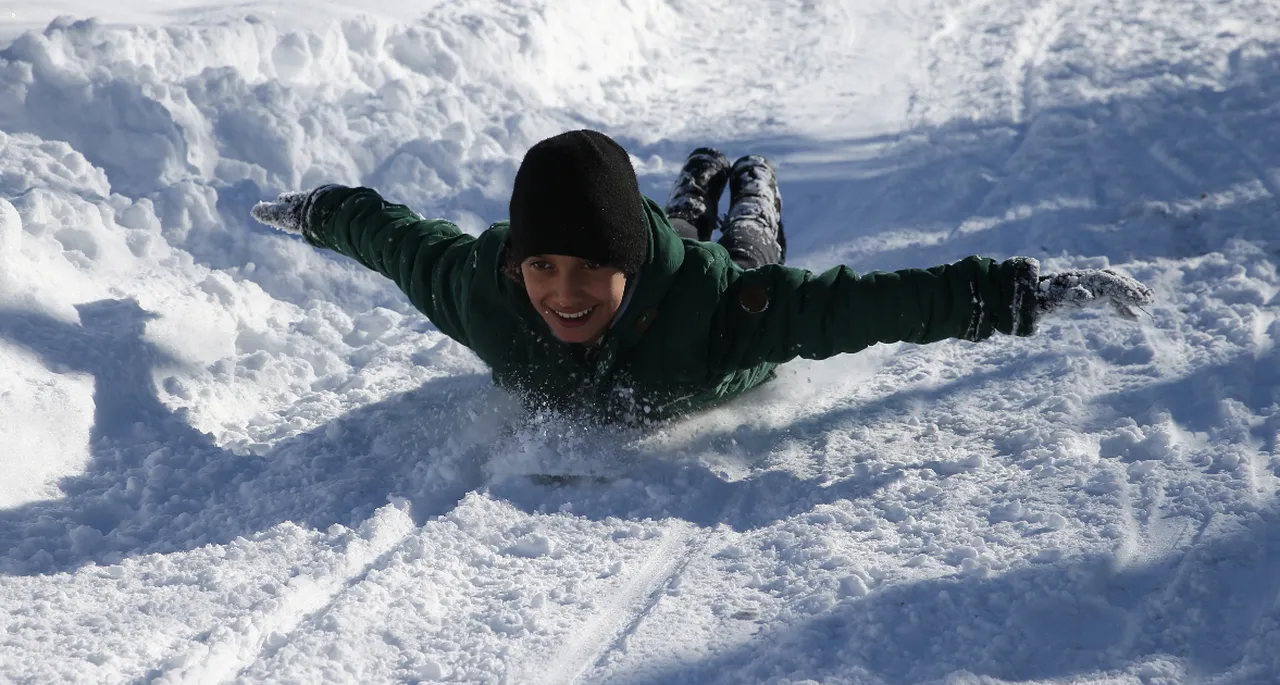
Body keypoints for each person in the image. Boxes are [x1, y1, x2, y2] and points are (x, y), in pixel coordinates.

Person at [251, 129, 1152, 424]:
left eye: (589, 269)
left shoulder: (726, 312)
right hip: (656, 260)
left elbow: (868, 306)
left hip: (710, 282)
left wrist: (1018, 293)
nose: (562, 292)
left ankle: (750, 187)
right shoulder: (484, 291)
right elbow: (394, 238)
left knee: (746, 245)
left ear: (623, 264)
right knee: (673, 235)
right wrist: (319, 209)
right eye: (542, 266)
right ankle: (692, 190)